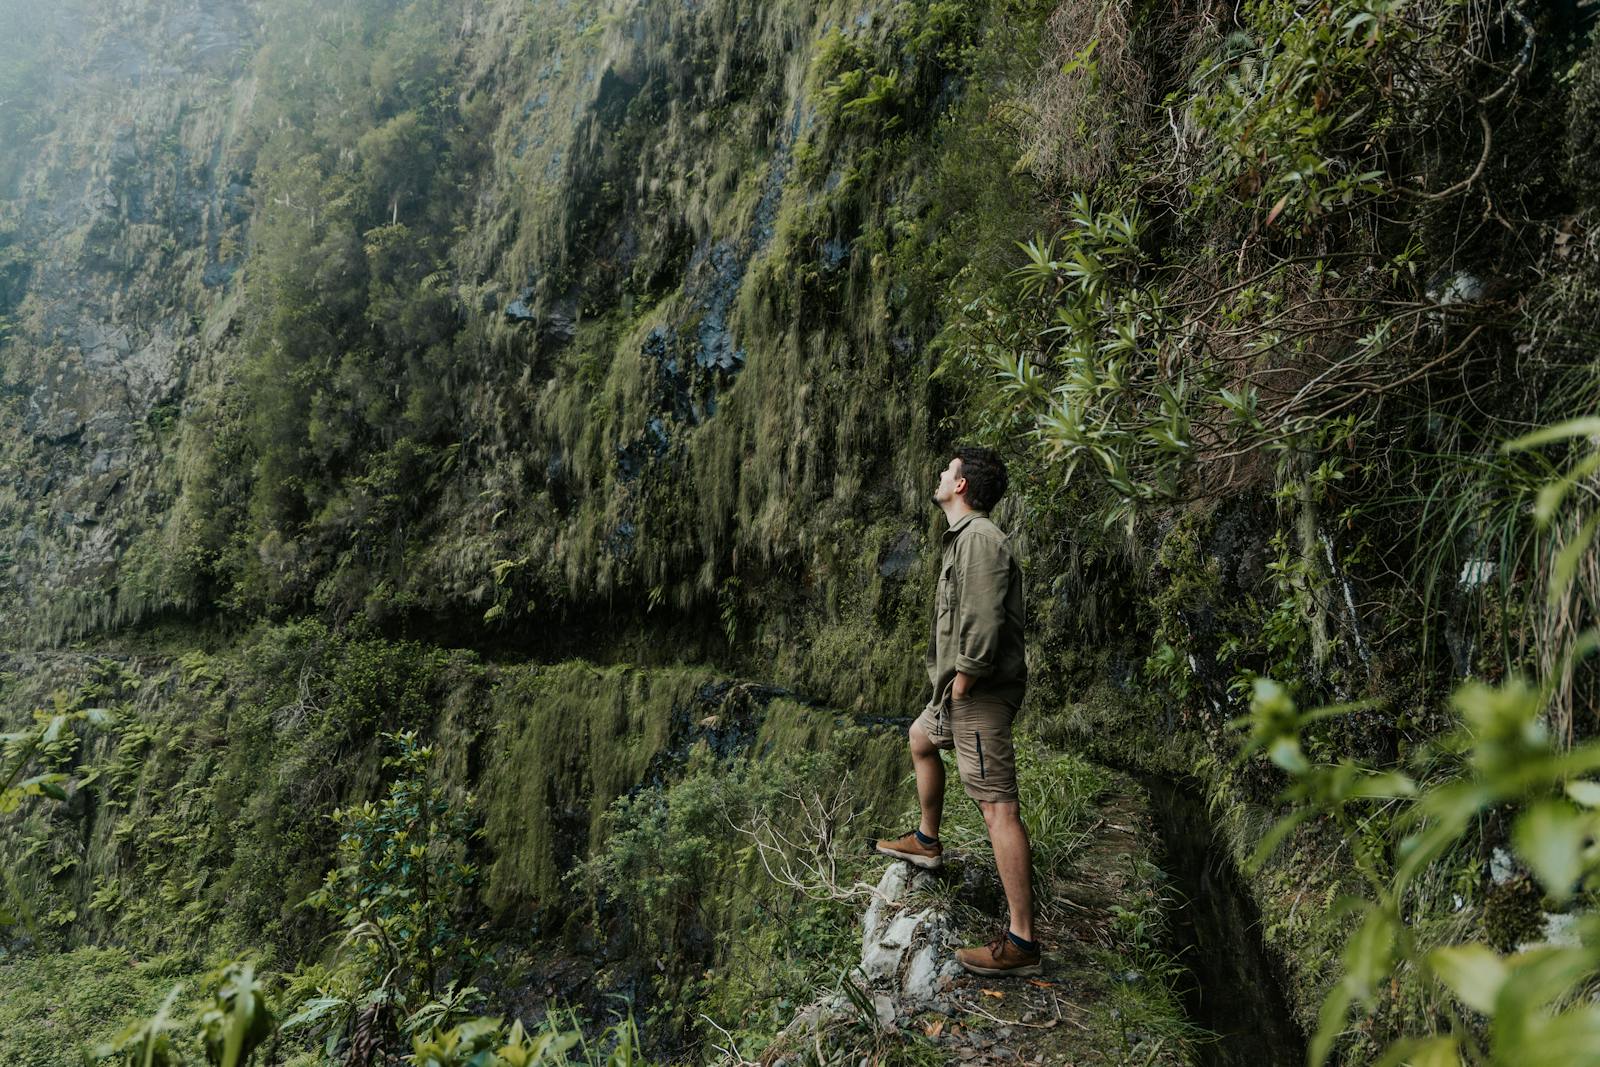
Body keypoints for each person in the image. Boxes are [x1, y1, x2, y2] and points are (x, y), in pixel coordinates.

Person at [875, 445, 1039, 977]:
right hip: (955, 693)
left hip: (977, 693)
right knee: (919, 738)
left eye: (948, 470)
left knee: (997, 808)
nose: (941, 474)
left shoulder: (982, 541)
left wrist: (965, 679)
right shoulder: (962, 540)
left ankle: (1021, 942)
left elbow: (985, 619)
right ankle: (926, 841)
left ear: (962, 484)